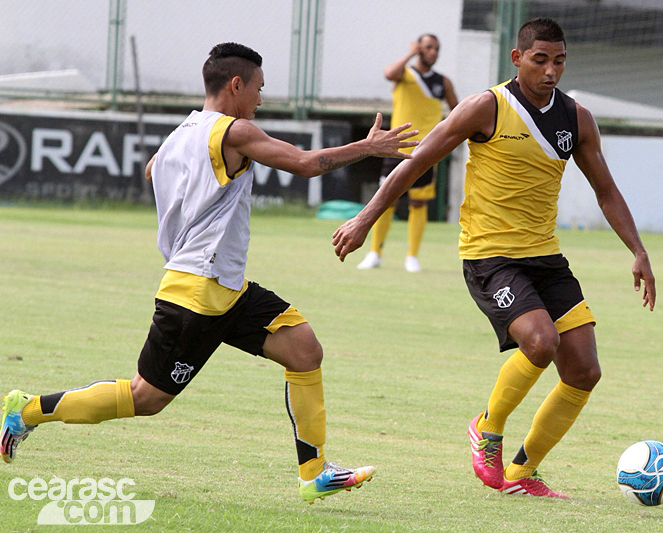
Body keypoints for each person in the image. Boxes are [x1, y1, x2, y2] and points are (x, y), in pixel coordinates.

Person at [1, 42, 418, 504]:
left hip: (226, 287)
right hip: (197, 292)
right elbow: (304, 164)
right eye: (258, 88)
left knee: (304, 349)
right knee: (145, 399)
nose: (261, 99)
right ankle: (27, 410)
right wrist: (369, 146)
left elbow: (151, 170)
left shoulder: (181, 133)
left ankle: (314, 473)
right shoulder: (232, 132)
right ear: (236, 85)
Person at [333, 18, 656, 498]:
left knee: (585, 370)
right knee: (540, 343)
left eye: (559, 61)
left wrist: (638, 250)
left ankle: (524, 474)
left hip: (545, 257)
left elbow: (605, 190)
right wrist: (364, 219)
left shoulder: (577, 119)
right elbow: (417, 161)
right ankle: (488, 426)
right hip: (490, 256)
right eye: (540, 60)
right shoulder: (487, 106)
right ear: (517, 58)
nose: (551, 71)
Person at [357, 34, 458, 273]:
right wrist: (411, 53)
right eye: (428, 47)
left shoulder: (442, 82)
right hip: (397, 146)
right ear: (418, 48)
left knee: (419, 201)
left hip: (426, 148)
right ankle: (375, 253)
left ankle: (412, 256)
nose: (433, 52)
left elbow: (458, 110)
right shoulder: (404, 74)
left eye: (437, 48)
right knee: (387, 199)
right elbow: (389, 74)